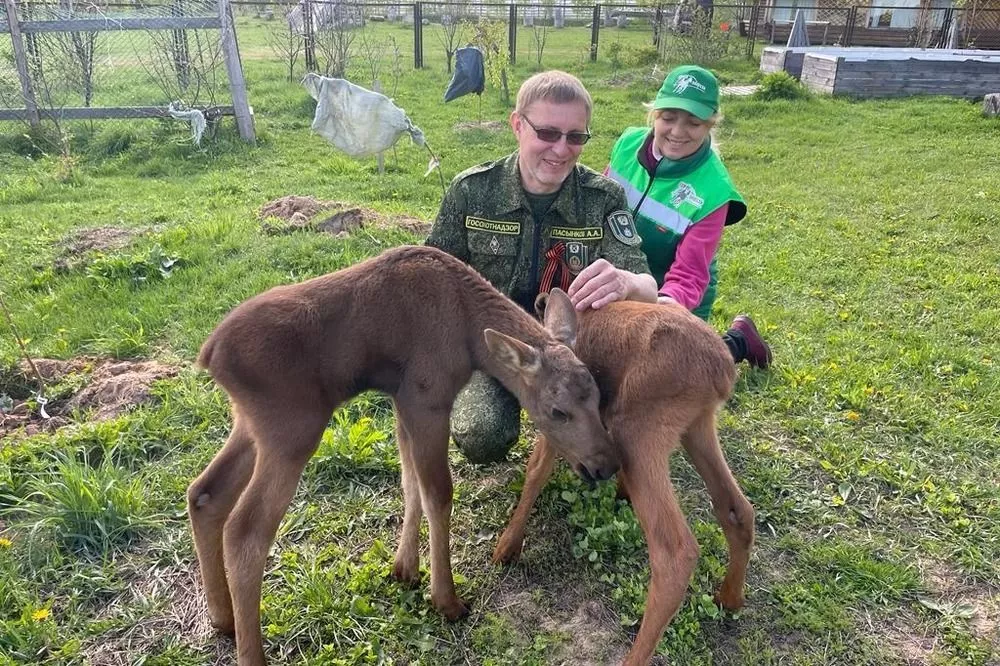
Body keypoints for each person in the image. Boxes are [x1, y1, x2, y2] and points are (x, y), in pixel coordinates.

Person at [426, 70, 657, 464]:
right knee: (483, 433)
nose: (561, 149)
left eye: (576, 137)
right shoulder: (472, 191)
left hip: (576, 356)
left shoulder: (602, 199)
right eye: (548, 133)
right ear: (517, 125)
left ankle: (573, 421)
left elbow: (648, 287)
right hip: (498, 355)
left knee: (630, 420)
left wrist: (625, 280)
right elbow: (431, 284)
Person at [604, 64, 772, 370]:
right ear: (654, 114)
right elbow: (599, 207)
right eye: (668, 118)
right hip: (619, 277)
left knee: (666, 375)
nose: (678, 132)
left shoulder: (714, 191)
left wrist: (659, 310)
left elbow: (689, 276)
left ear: (710, 125)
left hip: (673, 293)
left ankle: (738, 340)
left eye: (693, 123)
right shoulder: (627, 143)